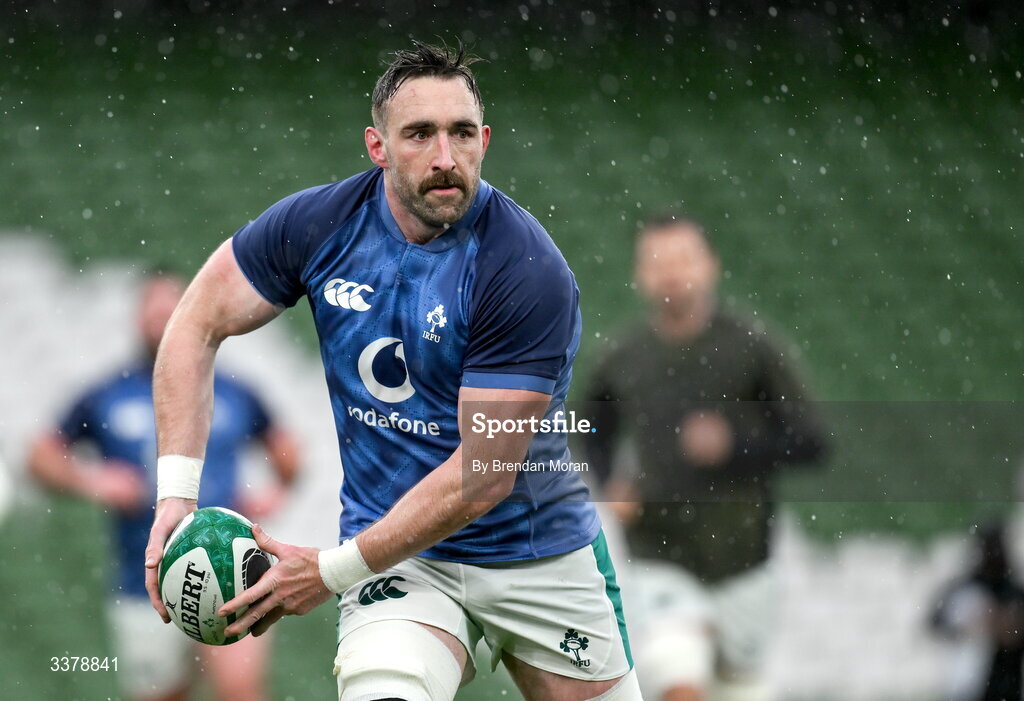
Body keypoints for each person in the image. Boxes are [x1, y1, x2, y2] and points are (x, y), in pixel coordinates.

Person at [143, 41, 641, 701]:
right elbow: (194, 322)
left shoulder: (523, 269)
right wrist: (176, 492)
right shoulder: (319, 225)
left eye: (462, 134)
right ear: (378, 146)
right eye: (419, 135)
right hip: (404, 560)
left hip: (537, 549)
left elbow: (482, 479)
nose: (445, 158)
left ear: (484, 140)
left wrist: (329, 570)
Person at [583, 213, 827, 701]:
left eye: (682, 259)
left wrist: (735, 447)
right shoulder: (624, 355)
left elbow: (812, 441)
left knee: (737, 688)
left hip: (743, 557)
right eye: (657, 262)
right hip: (659, 549)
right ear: (640, 274)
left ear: (710, 265)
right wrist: (612, 482)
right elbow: (593, 426)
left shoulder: (751, 347)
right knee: (678, 674)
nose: (671, 273)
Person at [29, 271, 301, 701]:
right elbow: (41, 455)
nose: (161, 319)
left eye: (170, 309)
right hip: (145, 580)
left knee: (241, 691)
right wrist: (92, 480)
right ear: (138, 319)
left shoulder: (231, 390)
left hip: (229, 566)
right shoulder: (107, 394)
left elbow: (287, 451)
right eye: (152, 310)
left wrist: (277, 493)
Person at [931, 522, 1024, 701]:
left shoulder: (1014, 592)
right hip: (970, 686)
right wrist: (970, 626)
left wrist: (1012, 628)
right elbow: (936, 622)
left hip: (1006, 685)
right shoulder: (967, 590)